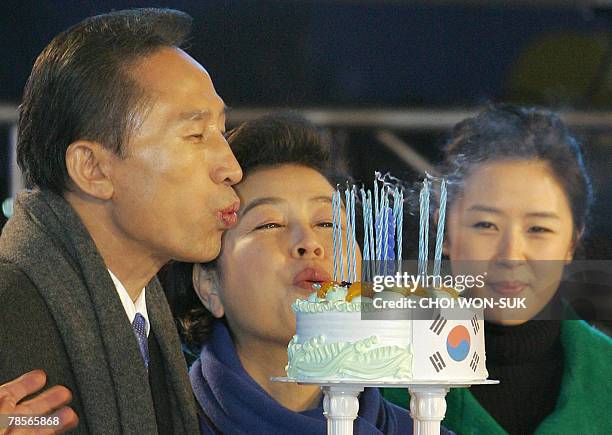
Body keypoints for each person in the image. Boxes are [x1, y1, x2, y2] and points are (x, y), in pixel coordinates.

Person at [0, 8, 241, 434]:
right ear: (92, 168)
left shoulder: (145, 319)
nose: (231, 167)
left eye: (222, 132)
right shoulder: (10, 307)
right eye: (195, 135)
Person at [160, 114, 453, 434]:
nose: (309, 243)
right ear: (209, 286)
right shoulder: (157, 423)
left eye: (327, 223)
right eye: (269, 224)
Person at [382, 105, 612, 434]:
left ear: (572, 244)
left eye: (538, 229)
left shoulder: (606, 377)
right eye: (486, 225)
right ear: (444, 231)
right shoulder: (379, 380)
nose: (511, 255)